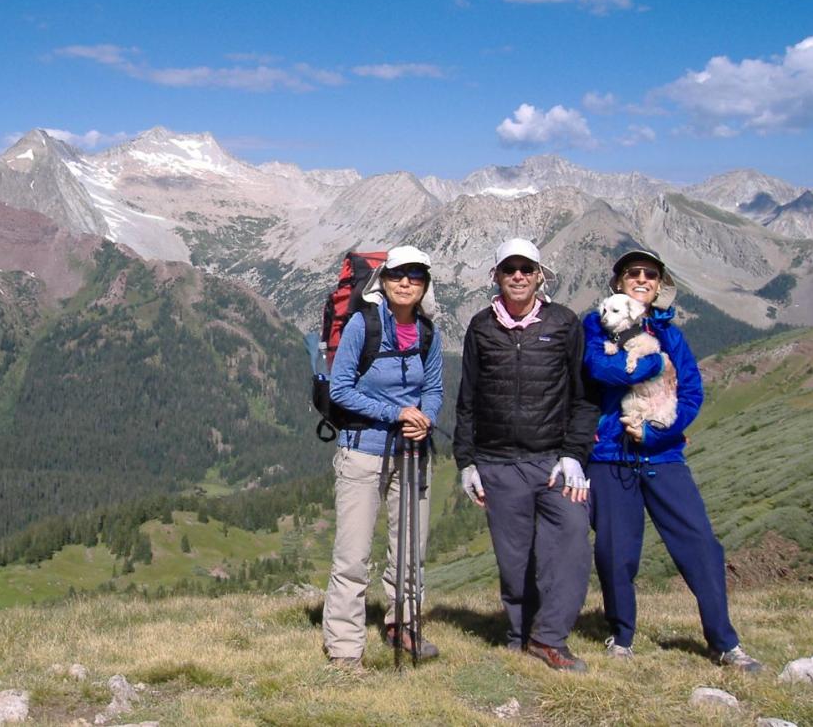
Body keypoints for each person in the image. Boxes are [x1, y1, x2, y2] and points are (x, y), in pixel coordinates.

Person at [583, 249, 763, 671]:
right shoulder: (596, 324)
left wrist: (656, 431)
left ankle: (723, 641)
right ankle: (622, 636)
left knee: (700, 544)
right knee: (615, 553)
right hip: (610, 455)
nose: (642, 279)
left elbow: (693, 393)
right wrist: (652, 363)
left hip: (663, 454)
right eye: (633, 273)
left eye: (651, 274)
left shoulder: (672, 334)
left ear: (660, 284)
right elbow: (602, 371)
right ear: (618, 283)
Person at [453, 238, 597, 672]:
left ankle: (550, 637)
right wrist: (467, 462)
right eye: (509, 268)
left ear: (539, 275)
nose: (518, 275)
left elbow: (583, 396)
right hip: (497, 462)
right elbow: (467, 400)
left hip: (554, 462)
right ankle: (520, 638)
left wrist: (574, 454)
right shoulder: (481, 327)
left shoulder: (565, 323)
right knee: (514, 563)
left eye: (526, 268)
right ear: (496, 275)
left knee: (572, 543)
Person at [322, 245, 444, 669]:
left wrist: (425, 417)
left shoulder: (428, 333)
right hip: (362, 453)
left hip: (412, 451)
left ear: (425, 284)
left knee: (410, 553)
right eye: (398, 276)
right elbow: (341, 391)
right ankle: (344, 648)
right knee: (353, 555)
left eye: (415, 276)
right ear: (384, 282)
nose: (406, 283)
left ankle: (404, 625)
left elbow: (434, 388)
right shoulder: (363, 324)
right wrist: (396, 412)